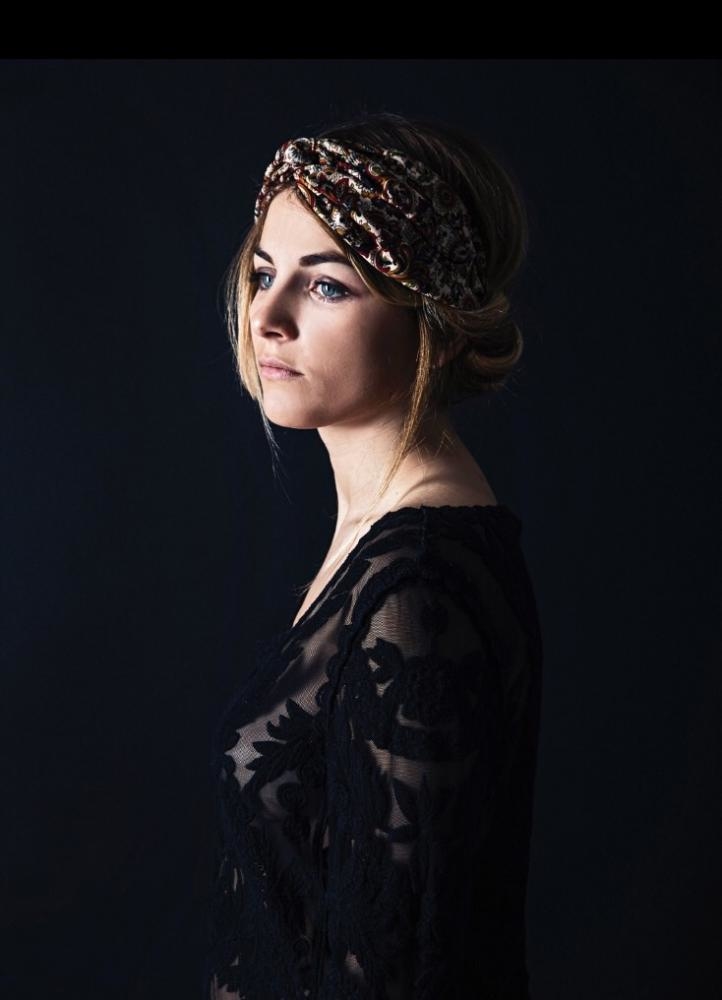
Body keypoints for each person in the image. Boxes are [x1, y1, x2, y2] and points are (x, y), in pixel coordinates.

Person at [204, 111, 544, 999]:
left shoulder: (419, 584)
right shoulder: (383, 535)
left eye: (326, 286)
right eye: (264, 273)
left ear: (432, 317)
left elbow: (400, 969)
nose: (267, 316)